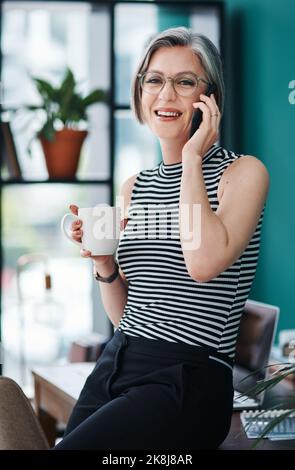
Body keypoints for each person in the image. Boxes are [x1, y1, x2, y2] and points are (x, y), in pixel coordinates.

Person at [54, 26, 269, 450]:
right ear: (140, 93)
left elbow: (203, 263)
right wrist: (104, 264)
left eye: (185, 82)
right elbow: (126, 315)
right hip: (118, 360)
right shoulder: (136, 186)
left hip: (188, 376)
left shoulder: (241, 174)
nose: (166, 94)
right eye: (154, 80)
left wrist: (191, 157)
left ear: (210, 99)